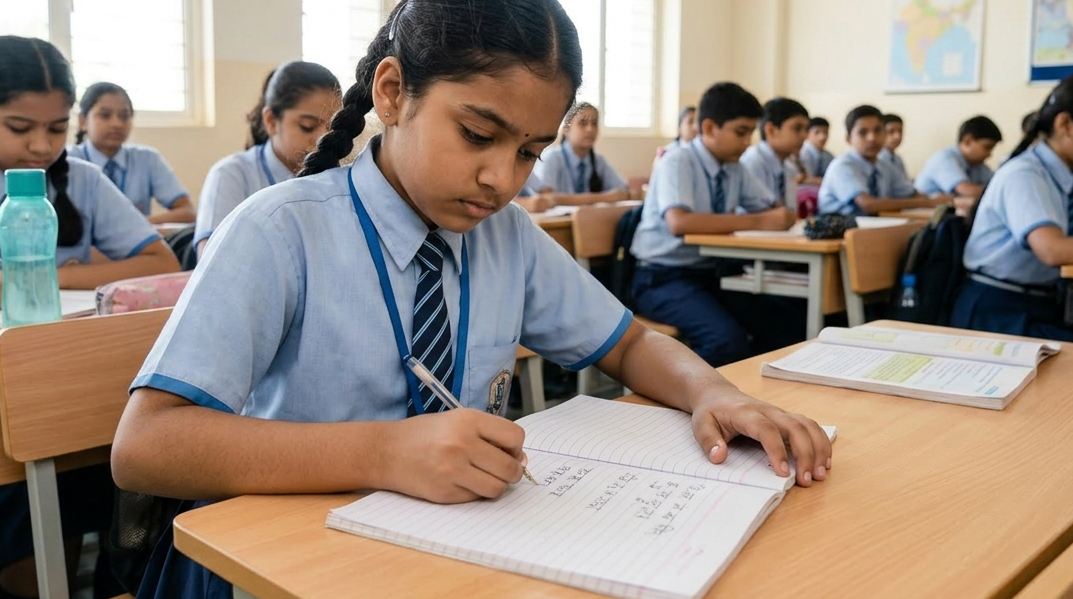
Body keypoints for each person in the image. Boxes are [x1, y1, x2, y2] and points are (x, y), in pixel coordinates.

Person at [110, 5, 832, 598]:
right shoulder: (279, 232)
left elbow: (629, 342)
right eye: (478, 135)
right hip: (280, 565)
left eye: (528, 153)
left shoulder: (504, 238)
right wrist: (385, 451)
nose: (500, 178)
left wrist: (707, 390)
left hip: (446, 558)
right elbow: (145, 447)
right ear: (391, 93)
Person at [0, 35, 180, 599]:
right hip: (11, 385)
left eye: (55, 129)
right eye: (19, 126)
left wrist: (33, 276)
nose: (40, 146)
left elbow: (159, 260)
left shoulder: (79, 179)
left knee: (80, 474)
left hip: (61, 373)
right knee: (17, 489)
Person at [951, 76, 1073, 340]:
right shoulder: (1026, 174)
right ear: (1065, 124)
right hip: (997, 312)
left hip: (1035, 304)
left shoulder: (1060, 175)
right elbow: (1053, 250)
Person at [193, 61, 341, 255]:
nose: (323, 138)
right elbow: (211, 260)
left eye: (332, 127)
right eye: (307, 126)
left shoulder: (338, 177)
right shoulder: (232, 175)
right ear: (271, 121)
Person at [71, 82, 195, 223]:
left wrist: (134, 228)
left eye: (124, 116)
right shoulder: (69, 161)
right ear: (83, 122)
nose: (117, 124)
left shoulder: (147, 159)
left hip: (137, 244)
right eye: (105, 115)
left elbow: (188, 212)